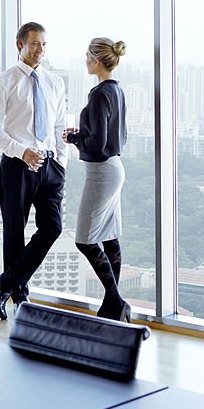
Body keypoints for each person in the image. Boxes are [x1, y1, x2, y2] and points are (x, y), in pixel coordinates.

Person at [0, 22, 67, 320]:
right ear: (19, 44)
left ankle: (5, 282)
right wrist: (22, 151)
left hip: (49, 165)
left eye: (43, 44)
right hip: (17, 164)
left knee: (53, 228)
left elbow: (58, 126)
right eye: (34, 44)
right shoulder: (4, 82)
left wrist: (60, 161)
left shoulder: (55, 82)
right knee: (14, 231)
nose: (40, 50)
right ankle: (19, 295)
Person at [63, 38, 129, 321]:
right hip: (114, 167)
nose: (84, 59)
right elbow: (114, 136)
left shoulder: (99, 93)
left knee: (85, 240)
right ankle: (112, 304)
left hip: (101, 172)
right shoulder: (117, 90)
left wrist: (73, 138)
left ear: (96, 60)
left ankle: (115, 301)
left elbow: (97, 141)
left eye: (87, 55)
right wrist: (85, 136)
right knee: (109, 237)